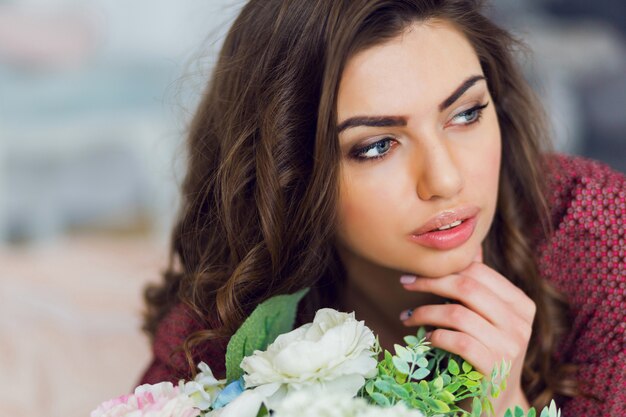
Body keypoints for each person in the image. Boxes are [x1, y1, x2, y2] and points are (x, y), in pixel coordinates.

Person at [138, 1, 625, 416]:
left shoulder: (596, 231)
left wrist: (508, 404)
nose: (445, 180)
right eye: (376, 147)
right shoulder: (227, 318)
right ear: (289, 173)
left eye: (466, 114)